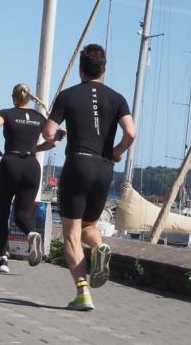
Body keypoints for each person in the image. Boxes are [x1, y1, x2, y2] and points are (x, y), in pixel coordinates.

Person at [41, 44, 136, 311]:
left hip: (78, 164)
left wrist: (56, 137)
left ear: (81, 69)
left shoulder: (67, 95)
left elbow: (48, 132)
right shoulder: (117, 99)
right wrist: (117, 152)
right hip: (103, 168)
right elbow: (131, 133)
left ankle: (82, 292)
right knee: (88, 227)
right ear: (103, 69)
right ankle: (99, 248)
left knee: (71, 234)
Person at [0, 83, 62, 274]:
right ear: (29, 99)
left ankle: (3, 260)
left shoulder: (6, 113)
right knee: (23, 214)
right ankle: (32, 234)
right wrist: (38, 147)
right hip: (31, 166)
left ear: (14, 97)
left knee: (2, 214)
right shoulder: (39, 117)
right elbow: (52, 142)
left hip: (10, 163)